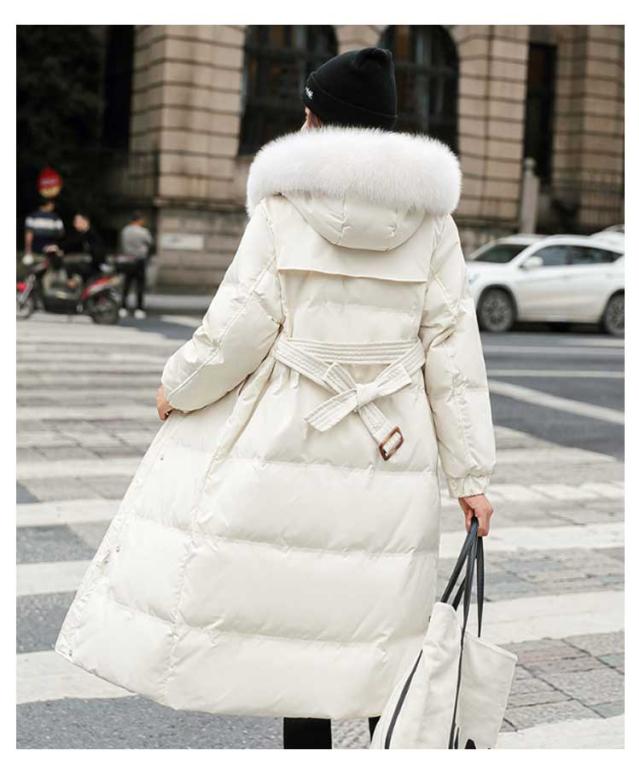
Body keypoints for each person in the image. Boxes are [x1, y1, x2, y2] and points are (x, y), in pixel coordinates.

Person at [56, 48, 496, 750]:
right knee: (387, 633)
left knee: (302, 640)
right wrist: (471, 477)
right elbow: (453, 355)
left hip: (298, 438)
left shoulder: (284, 209)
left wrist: (178, 388)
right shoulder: (433, 225)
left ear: (318, 120)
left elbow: (236, 327)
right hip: (392, 450)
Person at [119, 211, 153, 319]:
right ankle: (139, 309)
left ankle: (123, 307)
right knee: (140, 285)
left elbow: (122, 244)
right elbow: (150, 242)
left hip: (128, 259)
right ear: (140, 220)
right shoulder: (143, 232)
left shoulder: (125, 231)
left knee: (126, 285)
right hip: (139, 260)